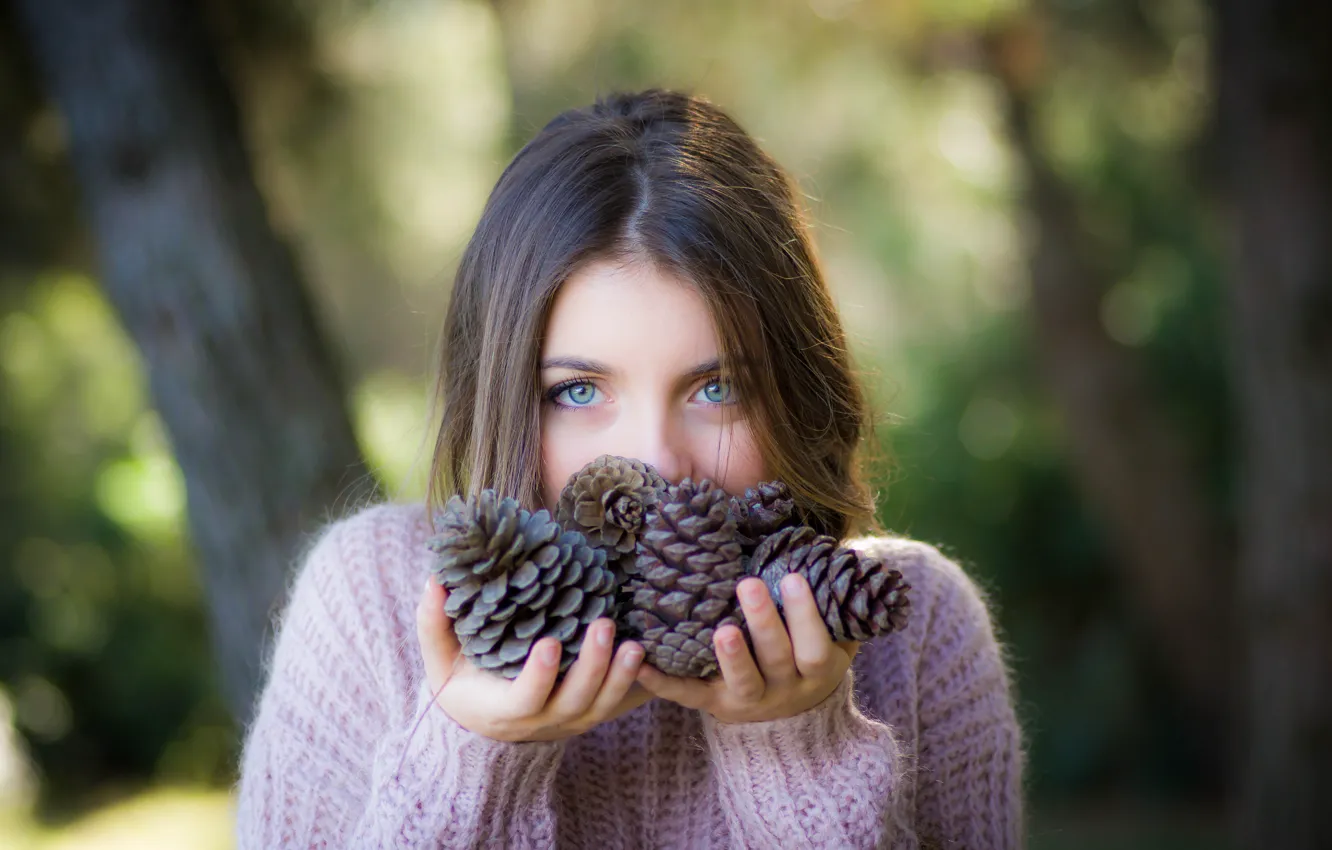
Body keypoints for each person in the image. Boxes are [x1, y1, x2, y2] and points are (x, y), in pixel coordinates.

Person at [234, 88, 1025, 848]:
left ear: (796, 390)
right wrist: (470, 759)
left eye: (718, 387)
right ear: (503, 395)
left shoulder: (914, 624)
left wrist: (798, 752)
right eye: (578, 391)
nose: (655, 464)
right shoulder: (369, 600)